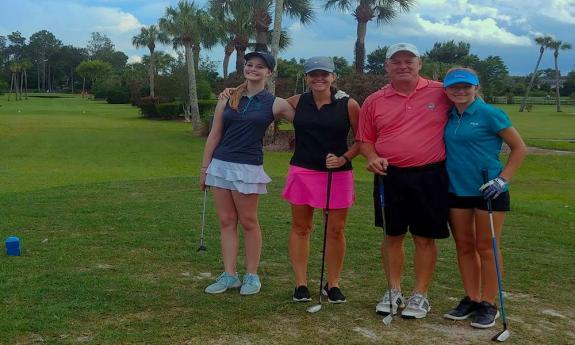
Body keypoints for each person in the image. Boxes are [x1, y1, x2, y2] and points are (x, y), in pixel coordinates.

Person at [356, 43, 452, 319]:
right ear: (386, 67)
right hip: (389, 175)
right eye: (396, 61)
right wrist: (372, 157)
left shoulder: (441, 91)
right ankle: (393, 289)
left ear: (419, 63)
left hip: (430, 175)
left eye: (409, 60)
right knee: (392, 235)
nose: (403, 65)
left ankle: (420, 294)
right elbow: (365, 140)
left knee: (424, 237)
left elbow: (471, 107)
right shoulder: (375, 100)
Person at [200, 51, 294, 296]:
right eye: (249, 65)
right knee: (226, 221)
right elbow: (215, 134)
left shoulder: (275, 102)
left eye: (259, 66)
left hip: (248, 167)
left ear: (269, 72)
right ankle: (230, 275)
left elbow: (305, 117)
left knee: (249, 222)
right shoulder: (229, 97)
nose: (253, 69)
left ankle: (251, 275)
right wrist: (204, 168)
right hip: (220, 165)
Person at [441, 67, 526, 328]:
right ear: (446, 90)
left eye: (466, 86)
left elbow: (519, 147)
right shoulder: (449, 115)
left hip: (488, 190)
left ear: (476, 88)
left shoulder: (489, 113)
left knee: (486, 247)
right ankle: (473, 298)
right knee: (464, 246)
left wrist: (503, 179)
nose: (460, 91)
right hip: (456, 190)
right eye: (454, 87)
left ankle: (489, 303)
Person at [283, 56, 360, 303]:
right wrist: (235, 91)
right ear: (306, 78)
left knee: (335, 230)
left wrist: (344, 158)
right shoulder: (296, 102)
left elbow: (362, 140)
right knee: (301, 228)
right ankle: (301, 284)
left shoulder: (349, 104)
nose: (319, 78)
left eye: (324, 74)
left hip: (337, 173)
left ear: (333, 77)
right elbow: (262, 104)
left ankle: (333, 284)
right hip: (303, 171)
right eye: (313, 74)